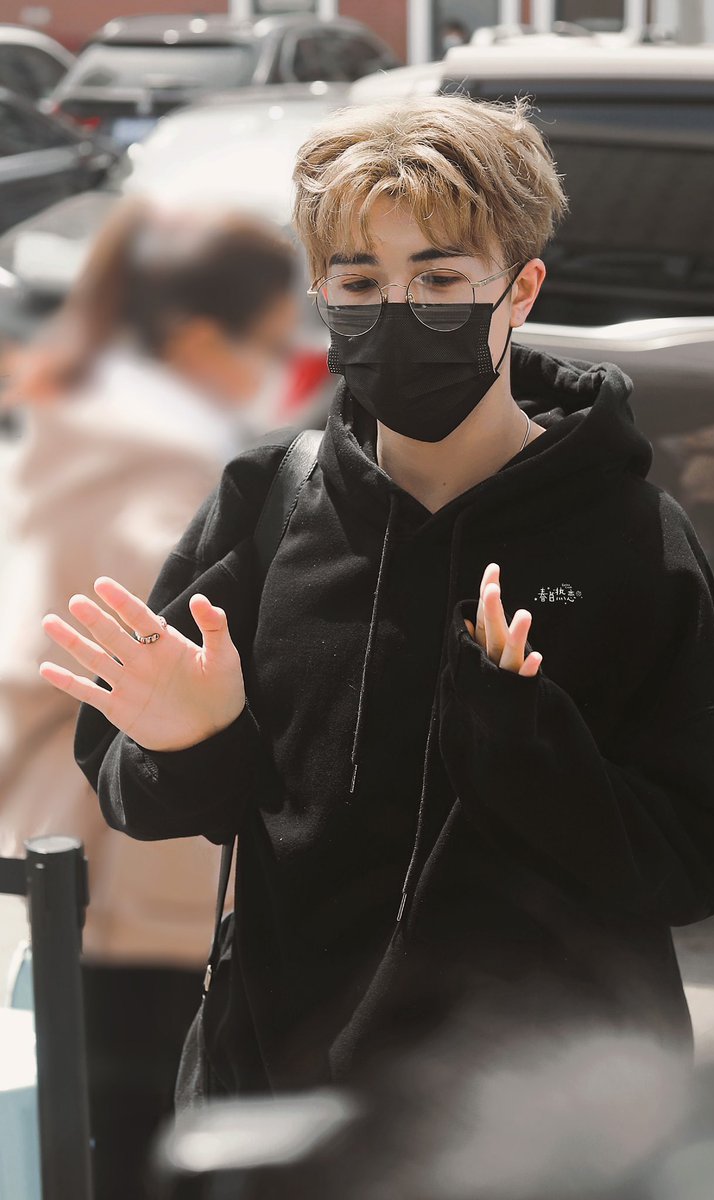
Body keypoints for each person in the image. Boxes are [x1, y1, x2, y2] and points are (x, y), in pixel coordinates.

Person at [42, 94, 714, 1102]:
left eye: (438, 278)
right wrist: (188, 741)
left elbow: (697, 862)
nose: (396, 312)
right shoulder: (268, 502)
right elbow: (139, 791)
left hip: (544, 1120)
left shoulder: (630, 537)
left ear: (520, 291)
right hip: (286, 1100)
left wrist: (519, 738)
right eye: (359, 282)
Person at [2, 197, 297, 1190]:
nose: (284, 364)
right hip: (138, 866)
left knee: (90, 1130)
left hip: (76, 854)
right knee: (141, 1140)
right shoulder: (164, 470)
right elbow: (174, 652)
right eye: (271, 341)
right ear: (201, 339)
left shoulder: (80, 427)